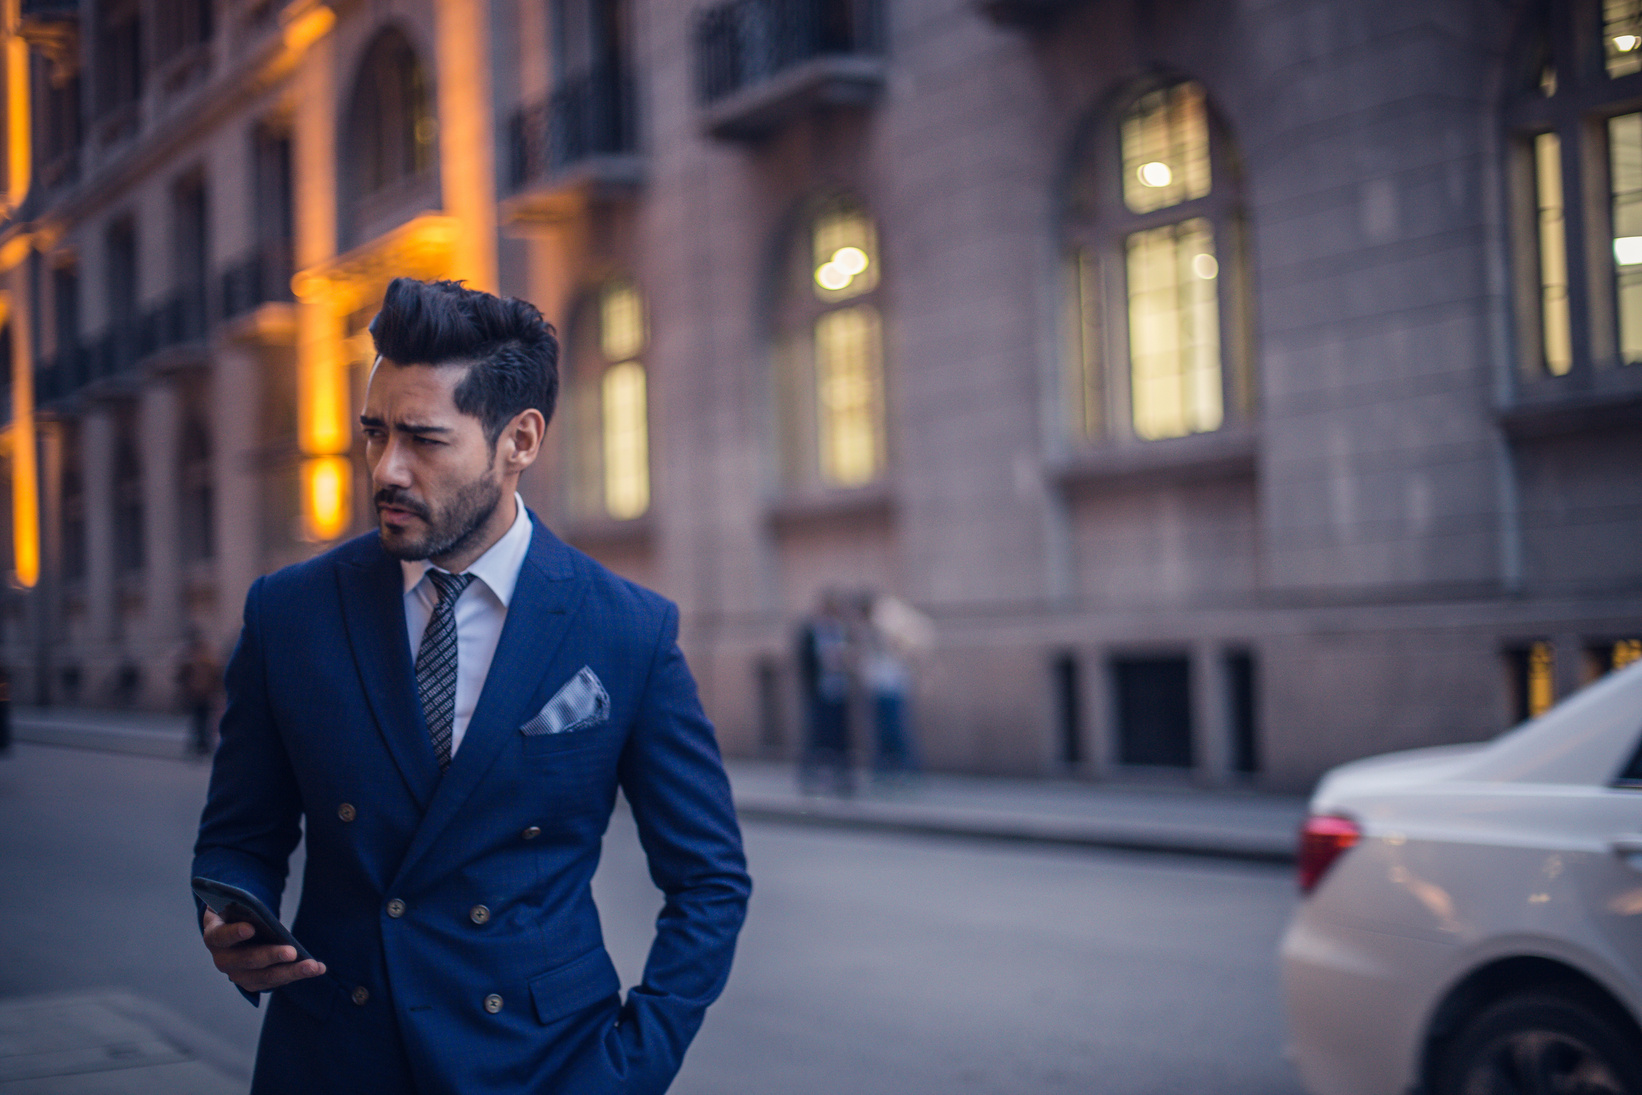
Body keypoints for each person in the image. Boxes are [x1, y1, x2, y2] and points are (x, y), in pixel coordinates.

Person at [192, 278, 750, 1095]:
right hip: (334, 1058)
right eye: (375, 432)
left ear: (519, 439)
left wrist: (633, 1067)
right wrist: (230, 912)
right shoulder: (290, 612)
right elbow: (239, 831)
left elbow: (709, 878)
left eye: (424, 438)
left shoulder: (626, 628)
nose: (387, 468)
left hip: (543, 1064)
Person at [795, 590, 853, 796]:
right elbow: (804, 660)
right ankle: (811, 776)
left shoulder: (841, 630)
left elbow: (851, 657)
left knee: (839, 736)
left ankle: (842, 777)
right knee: (817, 734)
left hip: (839, 690)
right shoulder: (812, 631)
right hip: (819, 690)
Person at [177, 631, 221, 756]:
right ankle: (201, 745)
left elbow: (215, 678)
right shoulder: (197, 663)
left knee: (201, 721)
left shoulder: (206, 663)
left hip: (202, 696)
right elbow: (182, 677)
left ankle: (202, 745)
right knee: (200, 721)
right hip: (199, 696)